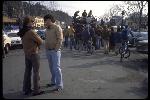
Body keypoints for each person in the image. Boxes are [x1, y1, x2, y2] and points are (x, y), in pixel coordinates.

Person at [17, 16, 44, 96]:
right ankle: (36, 90)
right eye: (32, 22)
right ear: (28, 23)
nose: (33, 23)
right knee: (36, 72)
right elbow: (41, 41)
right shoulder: (31, 32)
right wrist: (37, 43)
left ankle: (26, 89)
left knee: (27, 72)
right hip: (34, 53)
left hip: (27, 54)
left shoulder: (23, 31)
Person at [44, 14, 63, 92]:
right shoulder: (47, 29)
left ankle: (59, 85)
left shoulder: (57, 27)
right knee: (51, 68)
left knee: (56, 68)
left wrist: (56, 49)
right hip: (48, 51)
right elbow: (46, 39)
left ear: (50, 20)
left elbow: (60, 39)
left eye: (46, 20)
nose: (45, 22)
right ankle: (53, 82)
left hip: (55, 51)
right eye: (44, 21)